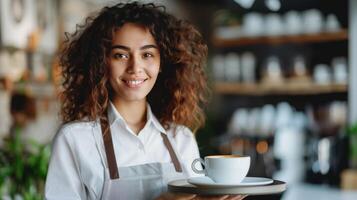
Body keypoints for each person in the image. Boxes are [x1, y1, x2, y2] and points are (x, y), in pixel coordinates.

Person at [45, 2, 246, 200]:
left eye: (147, 54)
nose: (135, 67)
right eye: (121, 55)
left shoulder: (180, 139)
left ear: (161, 63)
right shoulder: (75, 140)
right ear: (102, 63)